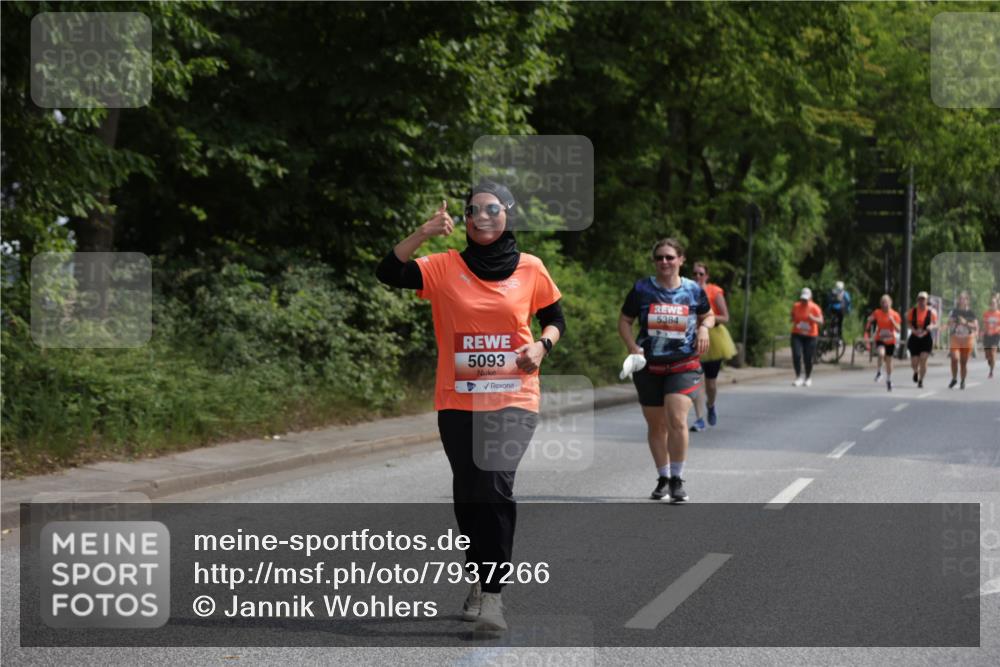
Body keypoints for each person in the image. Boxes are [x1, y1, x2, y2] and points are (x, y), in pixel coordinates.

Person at [375, 180, 564, 633]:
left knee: (494, 485)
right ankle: (478, 578)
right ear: (464, 219)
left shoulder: (531, 268)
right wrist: (423, 233)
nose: (482, 216)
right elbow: (388, 272)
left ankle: (493, 597)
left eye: (492, 209)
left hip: (515, 396)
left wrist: (542, 346)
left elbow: (554, 318)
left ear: (508, 215)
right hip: (458, 399)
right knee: (469, 493)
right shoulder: (443, 267)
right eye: (474, 210)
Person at [618, 239, 713, 503]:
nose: (664, 262)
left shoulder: (693, 290)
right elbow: (624, 321)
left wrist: (704, 329)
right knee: (656, 425)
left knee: (677, 419)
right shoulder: (642, 288)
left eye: (670, 257)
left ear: (681, 259)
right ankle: (663, 477)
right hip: (648, 365)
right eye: (659, 257)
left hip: (683, 364)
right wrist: (632, 346)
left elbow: (708, 315)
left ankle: (677, 479)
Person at [689, 261, 733, 431]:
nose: (697, 277)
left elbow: (725, 317)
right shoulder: (686, 290)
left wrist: (707, 318)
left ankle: (711, 404)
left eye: (701, 274)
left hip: (713, 338)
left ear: (706, 276)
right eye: (695, 273)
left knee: (711, 384)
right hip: (693, 337)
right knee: (697, 381)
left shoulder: (714, 291)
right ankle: (699, 419)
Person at [865, 294, 902, 391]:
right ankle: (879, 372)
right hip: (880, 338)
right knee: (881, 353)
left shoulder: (895, 314)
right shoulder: (877, 312)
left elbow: (898, 329)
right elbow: (871, 318)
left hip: (890, 340)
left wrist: (893, 321)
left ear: (890, 303)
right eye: (883, 302)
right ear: (881, 304)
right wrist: (870, 320)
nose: (885, 304)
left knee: (889, 361)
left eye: (886, 302)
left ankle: (889, 380)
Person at [790, 287, 823, 387]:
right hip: (797, 334)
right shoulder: (796, 306)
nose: (804, 301)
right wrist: (794, 320)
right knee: (796, 355)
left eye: (806, 299)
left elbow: (821, 321)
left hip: (810, 335)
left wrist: (813, 318)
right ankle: (798, 377)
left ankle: (808, 377)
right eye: (802, 299)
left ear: (810, 298)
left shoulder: (815, 307)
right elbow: (792, 316)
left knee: (808, 357)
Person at [906, 291, 937, 388]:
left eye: (923, 299)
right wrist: (913, 329)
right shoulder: (913, 311)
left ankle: (921, 380)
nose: (921, 301)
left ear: (926, 301)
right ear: (917, 300)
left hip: (926, 338)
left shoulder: (931, 312)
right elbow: (908, 322)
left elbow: (935, 323)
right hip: (915, 338)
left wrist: (931, 326)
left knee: (923, 359)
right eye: (920, 299)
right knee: (914, 362)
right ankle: (916, 371)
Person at [948, 291, 978, 389]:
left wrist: (965, 323)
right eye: (960, 298)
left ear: (967, 301)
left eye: (964, 298)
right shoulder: (954, 311)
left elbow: (975, 326)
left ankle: (963, 380)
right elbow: (950, 323)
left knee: (963, 362)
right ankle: (954, 378)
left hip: (967, 339)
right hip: (956, 338)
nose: (962, 300)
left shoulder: (971, 313)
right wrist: (952, 321)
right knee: (954, 358)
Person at [983, 293, 1000, 379]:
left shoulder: (999, 314)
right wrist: (985, 331)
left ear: (997, 304)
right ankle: (990, 362)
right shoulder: (986, 313)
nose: (993, 305)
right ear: (990, 305)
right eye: (992, 303)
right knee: (987, 355)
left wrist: (996, 330)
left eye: (994, 303)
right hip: (987, 335)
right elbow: (984, 324)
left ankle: (991, 371)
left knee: (993, 353)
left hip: (995, 335)